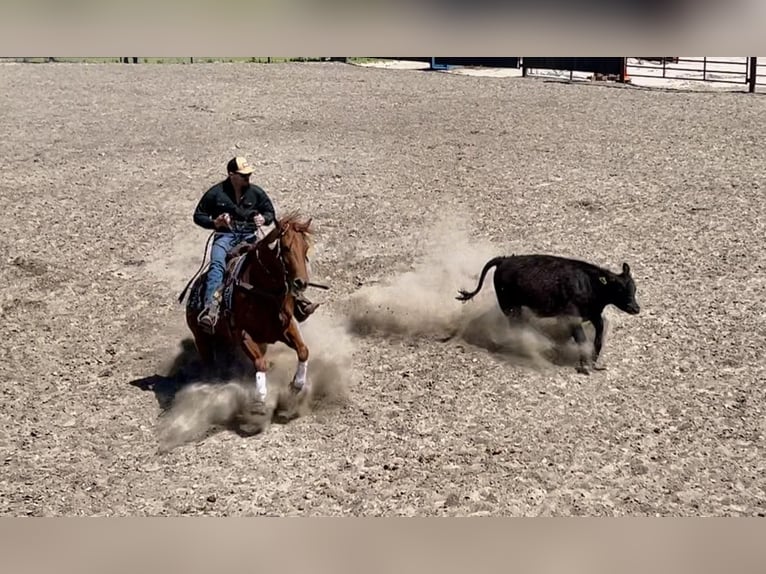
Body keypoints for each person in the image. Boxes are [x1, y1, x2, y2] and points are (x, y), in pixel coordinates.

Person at [193, 156, 318, 333]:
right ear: (231, 175)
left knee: (274, 261)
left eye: (248, 175)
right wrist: (215, 222)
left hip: (250, 236)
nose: (247, 178)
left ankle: (297, 299)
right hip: (225, 237)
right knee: (217, 265)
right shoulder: (215, 193)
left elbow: (269, 212)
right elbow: (198, 216)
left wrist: (264, 218)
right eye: (243, 175)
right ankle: (211, 309)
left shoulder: (256, 192)